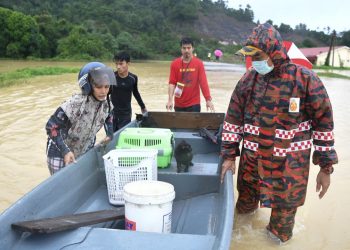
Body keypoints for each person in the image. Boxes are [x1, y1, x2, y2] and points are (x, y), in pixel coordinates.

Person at [220, 23, 338, 244]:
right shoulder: (248, 80)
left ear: (273, 51)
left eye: (258, 55)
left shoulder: (305, 80)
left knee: (279, 236)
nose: (254, 61)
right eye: (251, 56)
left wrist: (326, 167)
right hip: (251, 167)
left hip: (288, 172)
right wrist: (228, 156)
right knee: (243, 218)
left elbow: (324, 124)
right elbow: (233, 119)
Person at [45, 62, 116, 175]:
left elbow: (109, 116)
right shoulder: (75, 104)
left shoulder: (106, 104)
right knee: (61, 184)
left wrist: (110, 133)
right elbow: (51, 127)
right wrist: (65, 151)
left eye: (107, 87)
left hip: (84, 148)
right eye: (98, 86)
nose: (103, 91)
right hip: (59, 151)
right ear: (87, 85)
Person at [166, 37, 214, 112]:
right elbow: (172, 83)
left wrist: (208, 99)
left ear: (193, 48)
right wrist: (170, 100)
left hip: (194, 104)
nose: (186, 50)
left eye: (189, 48)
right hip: (179, 104)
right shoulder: (174, 64)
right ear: (181, 49)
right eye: (184, 48)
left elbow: (203, 83)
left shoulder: (198, 63)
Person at [111, 51, 147, 132]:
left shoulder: (133, 78)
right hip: (111, 114)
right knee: (111, 139)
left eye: (121, 64)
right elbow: (105, 94)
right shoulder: (112, 77)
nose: (118, 67)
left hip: (126, 114)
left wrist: (143, 107)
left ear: (128, 63)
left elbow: (135, 92)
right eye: (116, 64)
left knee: (122, 136)